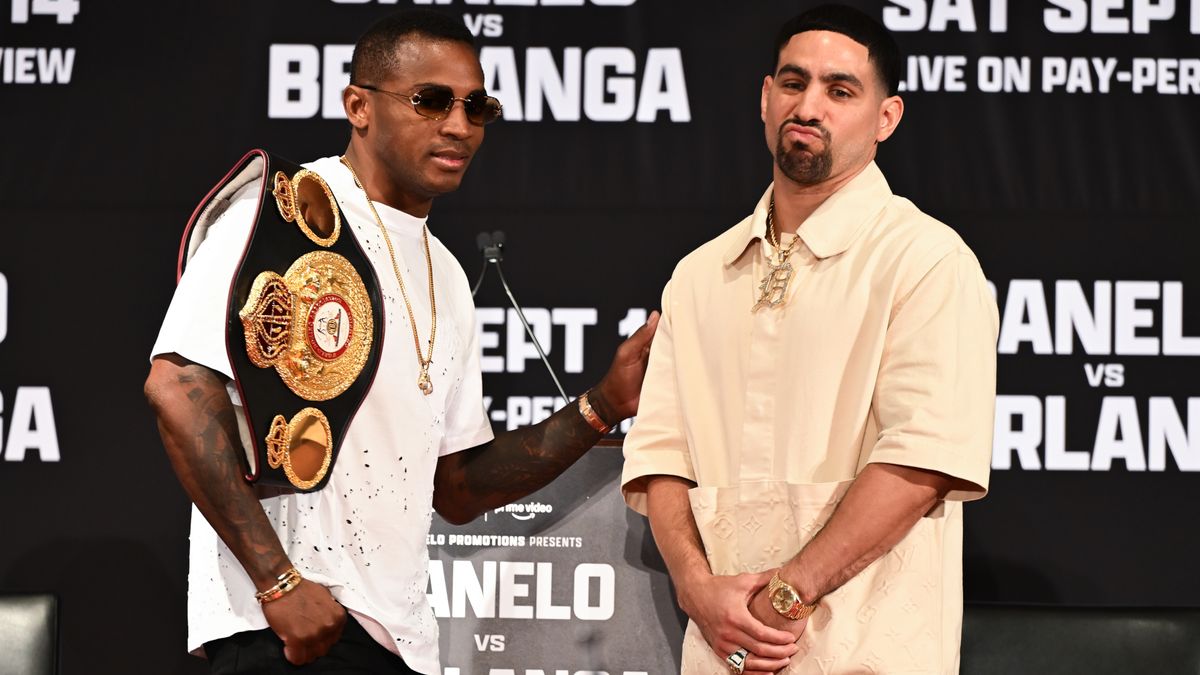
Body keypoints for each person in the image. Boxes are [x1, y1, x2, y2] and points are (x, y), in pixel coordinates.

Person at [143, 9, 658, 674]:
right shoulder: (282, 212)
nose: (458, 126)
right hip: (283, 631)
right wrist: (278, 582)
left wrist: (602, 405)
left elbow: (460, 486)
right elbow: (179, 389)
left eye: (477, 107)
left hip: (398, 643)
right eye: (431, 100)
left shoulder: (444, 270)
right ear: (358, 105)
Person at [620, 5, 997, 674]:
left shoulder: (927, 261)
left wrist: (784, 599)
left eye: (840, 89)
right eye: (793, 83)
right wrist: (697, 589)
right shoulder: (699, 275)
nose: (808, 104)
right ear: (767, 99)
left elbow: (921, 460)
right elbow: (660, 457)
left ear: (887, 117)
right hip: (720, 653)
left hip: (868, 656)